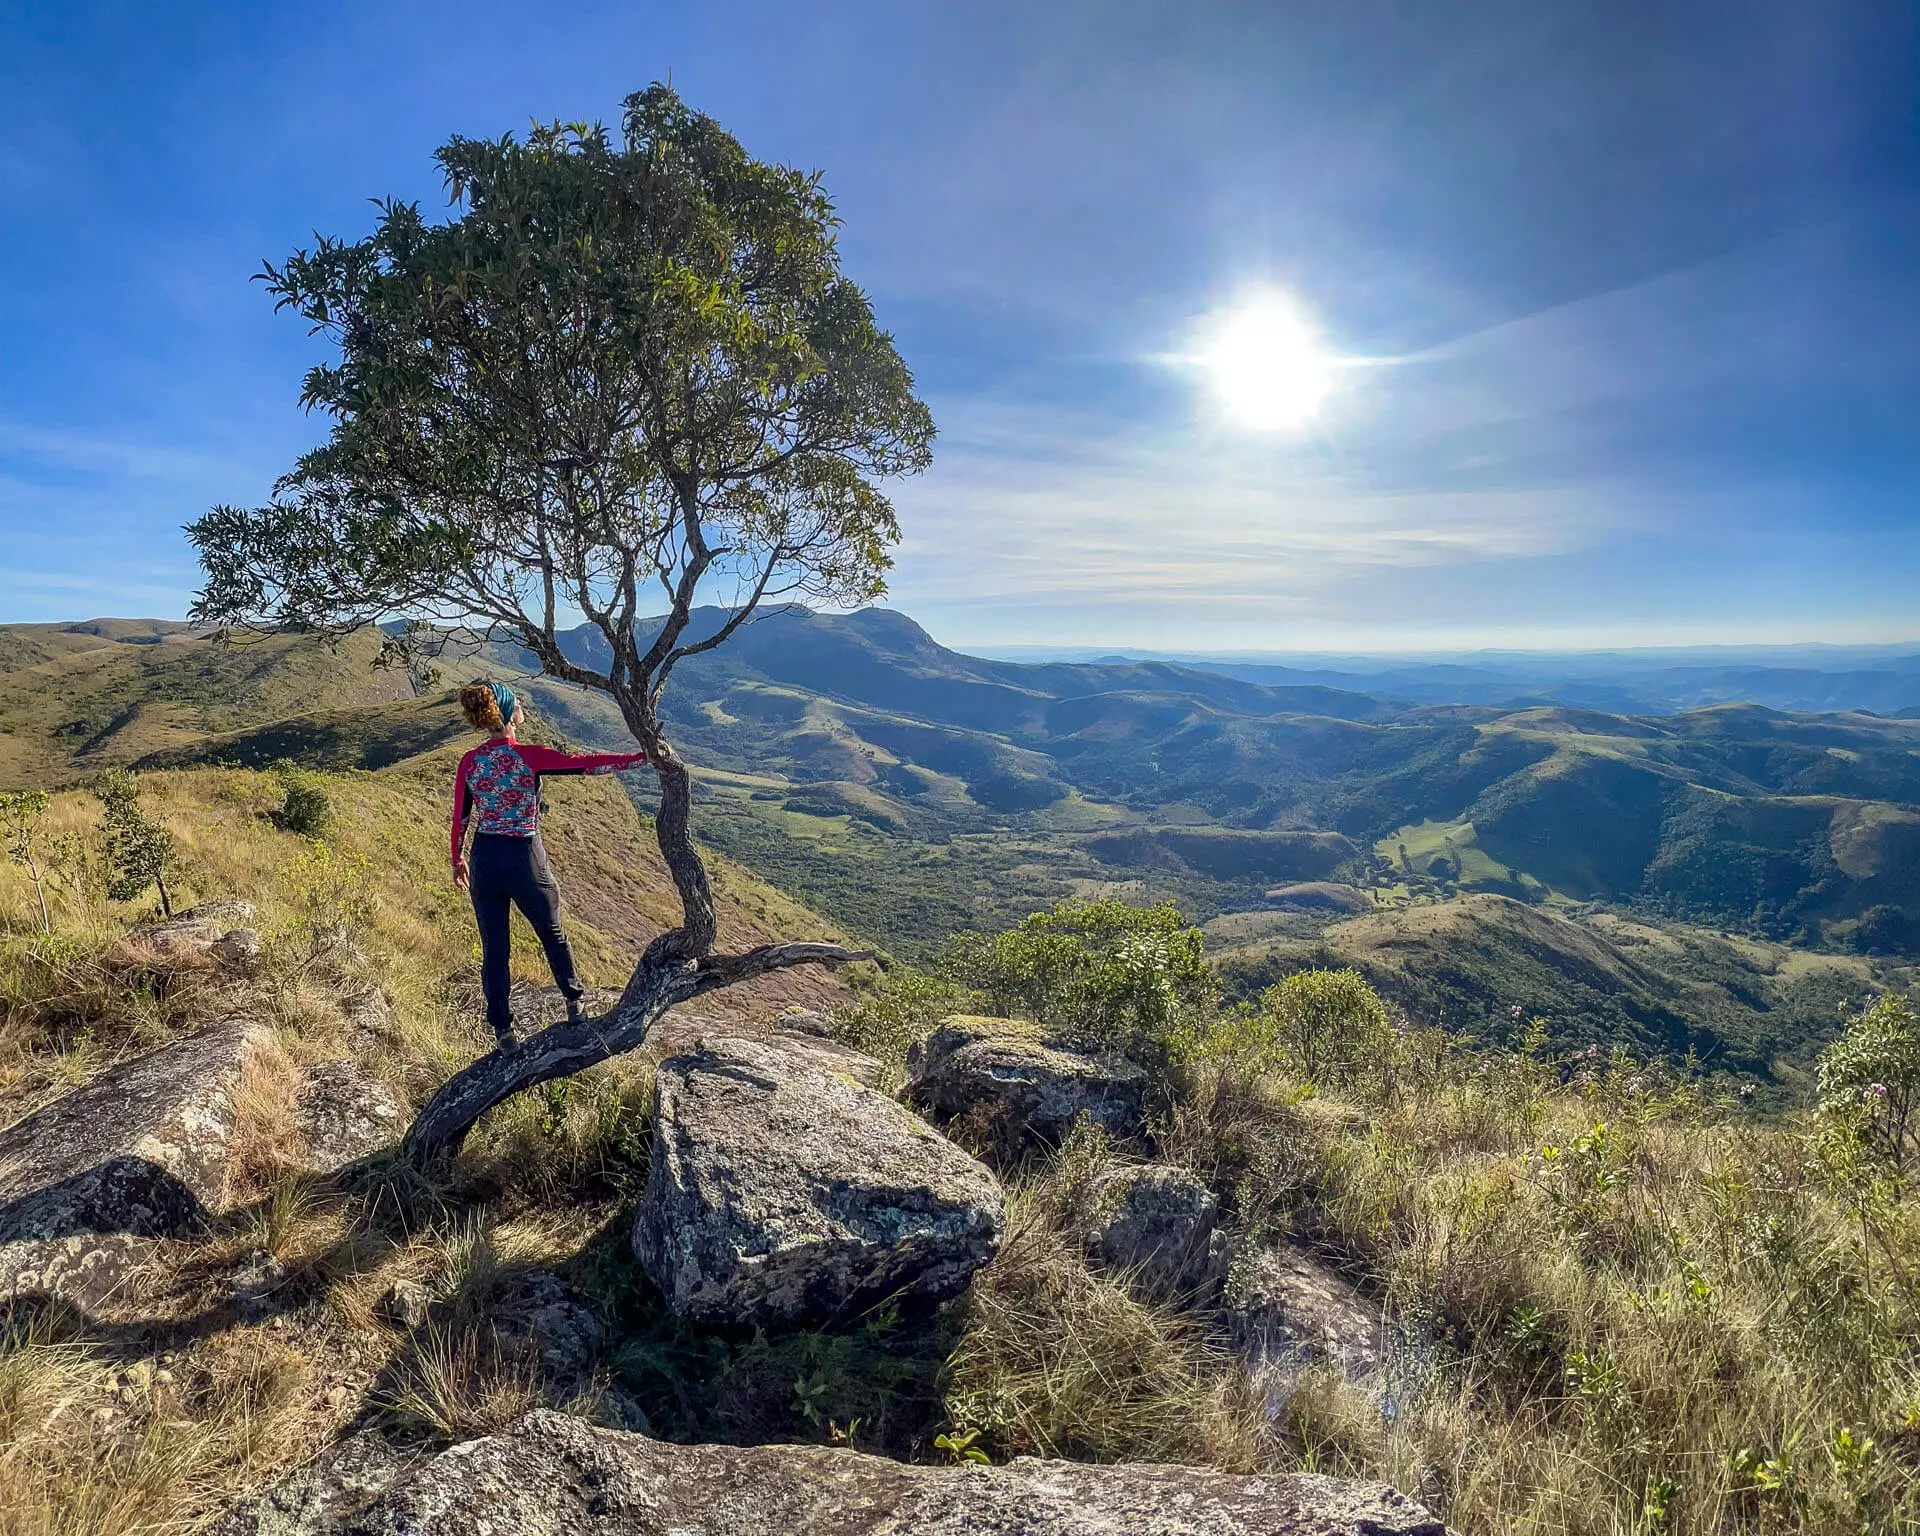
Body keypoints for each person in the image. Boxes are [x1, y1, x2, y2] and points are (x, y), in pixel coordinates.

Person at [451, 681, 648, 1047]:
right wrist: (639, 758)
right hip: (524, 855)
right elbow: (585, 764)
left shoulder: (470, 761)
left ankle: (503, 1030)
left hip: (484, 858)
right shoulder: (529, 756)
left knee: (495, 947)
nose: (522, 706)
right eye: (517, 702)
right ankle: (574, 1002)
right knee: (552, 932)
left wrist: (457, 858)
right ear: (509, 714)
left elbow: (461, 815)